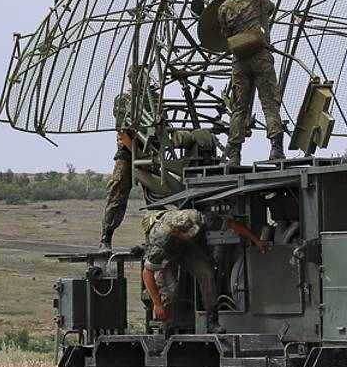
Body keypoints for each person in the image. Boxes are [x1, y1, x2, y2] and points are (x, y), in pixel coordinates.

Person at [141, 209, 268, 333]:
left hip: (185, 247)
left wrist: (256, 241)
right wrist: (157, 304)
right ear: (177, 233)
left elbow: (230, 223)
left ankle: (212, 322)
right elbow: (147, 273)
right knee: (170, 290)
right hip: (167, 249)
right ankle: (166, 328)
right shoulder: (160, 240)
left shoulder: (199, 218)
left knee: (206, 271)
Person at [217, 0, 284, 164]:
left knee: (239, 108)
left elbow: (225, 33)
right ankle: (276, 149)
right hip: (261, 56)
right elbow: (270, 9)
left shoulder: (224, 6)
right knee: (270, 104)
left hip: (240, 59)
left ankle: (234, 154)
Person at [98, 65, 145, 253]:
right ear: (132, 79)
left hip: (152, 155)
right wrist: (140, 155)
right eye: (140, 76)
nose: (144, 80)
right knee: (117, 191)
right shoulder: (124, 100)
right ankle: (105, 239)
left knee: (157, 197)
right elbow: (123, 134)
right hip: (128, 153)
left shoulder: (152, 100)